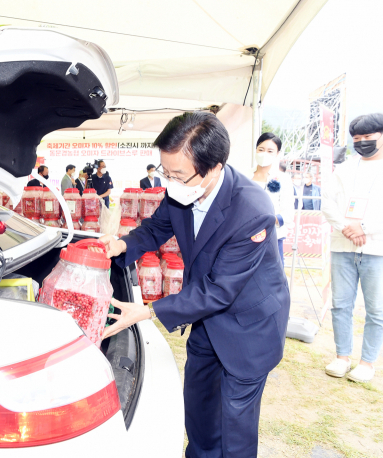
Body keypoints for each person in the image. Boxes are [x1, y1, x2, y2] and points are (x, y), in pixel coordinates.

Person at [98, 112, 289, 458]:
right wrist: (122, 245)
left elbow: (219, 290)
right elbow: (156, 228)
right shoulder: (181, 191)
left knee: (235, 427)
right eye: (165, 172)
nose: (170, 182)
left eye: (178, 175)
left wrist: (147, 311)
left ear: (214, 167)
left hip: (249, 327)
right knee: (198, 413)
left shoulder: (252, 210)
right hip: (206, 320)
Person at [322, 113, 383, 383]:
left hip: (376, 249)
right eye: (357, 139)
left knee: (376, 309)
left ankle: (367, 362)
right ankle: (342, 357)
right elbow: (328, 203)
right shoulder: (345, 168)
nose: (362, 143)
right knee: (340, 304)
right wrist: (346, 226)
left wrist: (365, 227)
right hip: (342, 245)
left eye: (368, 138)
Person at [251, 133, 294, 266]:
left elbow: (288, 214)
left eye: (270, 151)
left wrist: (267, 220)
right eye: (261, 149)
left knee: (272, 280)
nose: (264, 154)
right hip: (246, 238)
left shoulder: (283, 179)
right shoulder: (244, 176)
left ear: (277, 154)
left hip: (273, 238)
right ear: (256, 150)